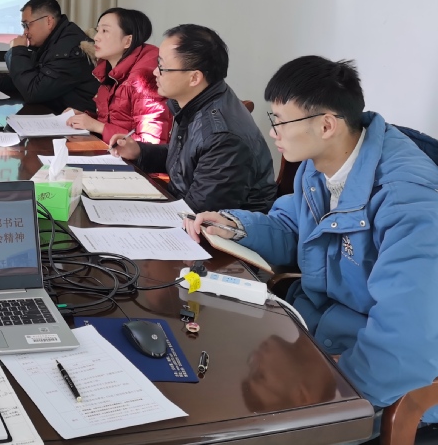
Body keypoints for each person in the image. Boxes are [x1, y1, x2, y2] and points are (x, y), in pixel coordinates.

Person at [186, 56, 438, 421]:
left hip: (376, 380)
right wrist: (237, 227)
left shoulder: (407, 201)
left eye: (280, 120)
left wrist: (337, 400)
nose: (273, 131)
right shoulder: (320, 165)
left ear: (326, 125)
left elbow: (406, 338)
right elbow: (295, 228)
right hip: (316, 338)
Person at [110, 24, 276, 212]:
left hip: (211, 225)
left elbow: (200, 212)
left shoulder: (223, 137)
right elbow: (187, 158)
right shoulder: (197, 100)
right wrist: (139, 152)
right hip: (186, 209)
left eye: (162, 67)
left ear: (194, 78)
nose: (155, 72)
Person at [0, 0, 97, 115]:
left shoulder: (70, 50)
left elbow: (33, 92)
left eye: (27, 25)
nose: (25, 32)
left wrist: (18, 51)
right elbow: (29, 79)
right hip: (56, 117)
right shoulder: (53, 43)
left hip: (77, 127)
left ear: (48, 21)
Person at [65, 8, 172, 143]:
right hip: (112, 151)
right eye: (98, 30)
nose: (96, 37)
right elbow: (115, 122)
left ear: (128, 41)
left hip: (129, 156)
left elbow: (151, 143)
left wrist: (98, 127)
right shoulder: (109, 71)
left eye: (105, 31)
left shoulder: (144, 80)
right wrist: (85, 119)